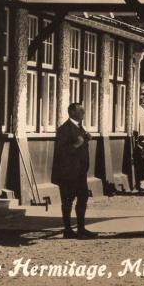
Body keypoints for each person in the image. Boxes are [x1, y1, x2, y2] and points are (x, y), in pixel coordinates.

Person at [51, 102, 97, 239]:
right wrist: (77, 144)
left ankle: (81, 229)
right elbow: (61, 152)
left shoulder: (80, 127)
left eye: (83, 110)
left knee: (83, 198)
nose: (83, 113)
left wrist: (86, 138)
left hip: (80, 173)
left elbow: (81, 143)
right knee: (68, 201)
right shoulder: (64, 129)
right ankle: (68, 230)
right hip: (68, 173)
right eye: (80, 111)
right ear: (72, 113)